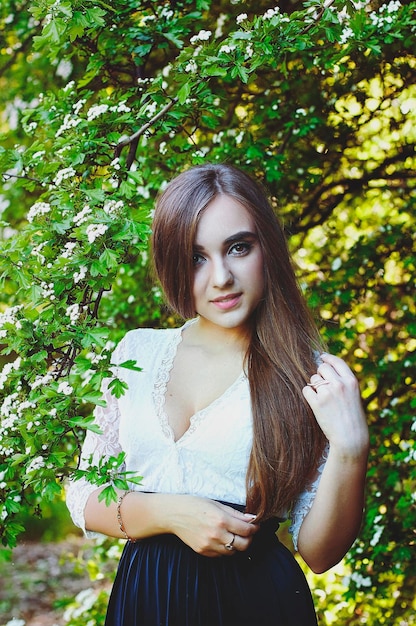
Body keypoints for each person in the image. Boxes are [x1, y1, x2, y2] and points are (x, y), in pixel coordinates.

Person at [66, 163, 369, 626]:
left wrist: (351, 450)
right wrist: (170, 513)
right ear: (172, 262)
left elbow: (320, 552)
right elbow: (83, 492)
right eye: (197, 257)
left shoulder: (306, 374)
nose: (222, 277)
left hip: (254, 603)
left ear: (266, 247)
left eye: (238, 248)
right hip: (145, 600)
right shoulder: (137, 353)